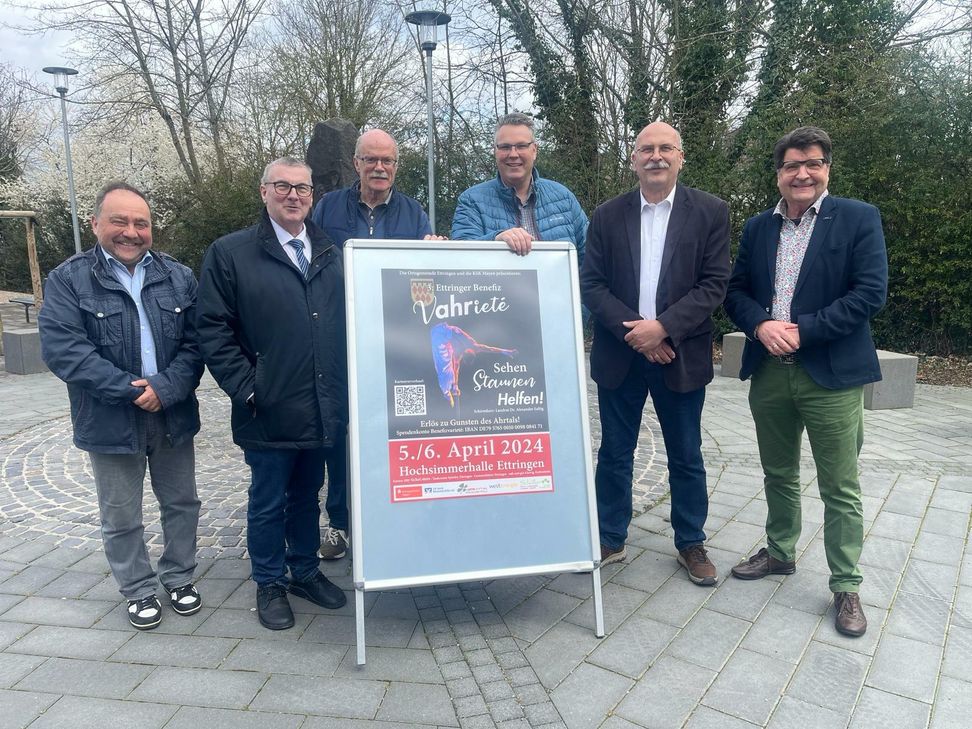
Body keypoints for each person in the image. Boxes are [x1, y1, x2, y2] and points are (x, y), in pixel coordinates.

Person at [724, 126, 888, 637]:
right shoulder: (758, 228)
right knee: (778, 472)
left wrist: (803, 331)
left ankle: (846, 585)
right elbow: (736, 291)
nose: (803, 173)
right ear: (778, 174)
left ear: (826, 169)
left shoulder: (858, 218)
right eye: (792, 165)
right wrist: (760, 324)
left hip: (831, 376)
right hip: (770, 374)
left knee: (840, 486)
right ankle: (779, 553)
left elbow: (870, 293)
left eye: (813, 163)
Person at [39, 182, 203, 630]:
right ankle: (137, 588)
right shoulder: (69, 279)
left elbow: (196, 344)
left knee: (182, 502)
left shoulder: (179, 276)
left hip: (171, 412)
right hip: (110, 417)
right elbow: (64, 351)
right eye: (120, 221)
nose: (131, 231)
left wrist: (165, 388)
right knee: (120, 511)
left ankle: (179, 576)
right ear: (95, 224)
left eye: (140, 223)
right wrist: (132, 391)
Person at [196, 157, 348, 630]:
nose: (293, 196)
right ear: (264, 192)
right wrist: (247, 388)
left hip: (321, 403)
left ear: (312, 196)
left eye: (302, 188)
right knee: (268, 499)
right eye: (282, 186)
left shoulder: (333, 253)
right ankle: (269, 581)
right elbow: (212, 328)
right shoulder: (232, 253)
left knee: (307, 494)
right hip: (267, 406)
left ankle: (303, 569)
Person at [580, 122, 730, 586]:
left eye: (666, 148)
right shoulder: (606, 215)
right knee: (615, 453)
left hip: (679, 354)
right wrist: (638, 333)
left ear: (681, 157)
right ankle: (610, 537)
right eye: (647, 148)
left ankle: (690, 541)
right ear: (633, 158)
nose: (656, 156)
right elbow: (592, 284)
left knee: (686, 454)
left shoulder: (710, 212)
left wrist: (663, 328)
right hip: (621, 354)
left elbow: (714, 284)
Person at [310, 128, 444, 559]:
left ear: (396, 166)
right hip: (337, 337)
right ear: (357, 164)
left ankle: (392, 517)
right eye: (371, 160)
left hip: (392, 343)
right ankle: (341, 523)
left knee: (392, 430)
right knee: (339, 432)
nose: (379, 168)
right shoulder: (327, 208)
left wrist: (433, 259)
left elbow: (424, 290)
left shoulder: (413, 212)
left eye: (387, 160)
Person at [451, 112, 587, 262]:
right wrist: (495, 240)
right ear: (495, 151)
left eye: (521, 146)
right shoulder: (472, 201)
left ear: (534, 150)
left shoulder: (563, 198)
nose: (513, 154)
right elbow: (460, 257)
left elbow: (589, 259)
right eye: (505, 147)